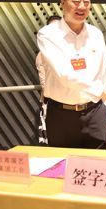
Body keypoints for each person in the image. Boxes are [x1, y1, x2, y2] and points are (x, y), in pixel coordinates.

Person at [36, 0, 106, 149]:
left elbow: (104, 75)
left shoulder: (96, 34)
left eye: (86, 2)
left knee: (98, 162)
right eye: (76, 1)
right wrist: (103, 93)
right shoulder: (48, 34)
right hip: (61, 115)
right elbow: (65, 74)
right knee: (62, 163)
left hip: (95, 113)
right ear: (62, 3)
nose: (82, 6)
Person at [36, 15, 61, 145]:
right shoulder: (42, 55)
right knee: (54, 138)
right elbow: (44, 82)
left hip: (73, 101)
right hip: (52, 102)